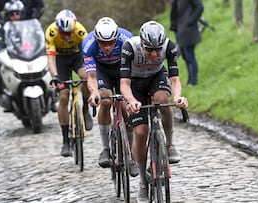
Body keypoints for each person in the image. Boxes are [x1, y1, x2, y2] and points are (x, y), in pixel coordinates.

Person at [119, 21, 188, 202]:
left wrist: (178, 97)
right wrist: (132, 101)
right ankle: (143, 182)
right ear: (142, 43)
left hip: (156, 77)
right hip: (135, 83)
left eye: (158, 50)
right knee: (141, 132)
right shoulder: (129, 48)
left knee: (163, 101)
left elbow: (174, 79)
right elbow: (124, 84)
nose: (155, 54)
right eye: (149, 50)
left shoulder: (169, 46)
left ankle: (170, 144)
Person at [83, 17, 138, 176]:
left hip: (122, 69)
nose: (107, 47)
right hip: (102, 71)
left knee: (125, 107)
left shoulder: (127, 39)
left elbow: (136, 65)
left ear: (116, 38)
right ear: (96, 39)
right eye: (102, 43)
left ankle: (130, 153)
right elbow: (91, 76)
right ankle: (106, 149)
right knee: (106, 100)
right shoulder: (88, 44)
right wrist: (94, 92)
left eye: (111, 43)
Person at [45, 9, 93, 157]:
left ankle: (85, 109)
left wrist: (91, 73)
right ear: (58, 29)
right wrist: (55, 76)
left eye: (69, 33)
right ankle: (65, 140)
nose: (66, 37)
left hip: (77, 57)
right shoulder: (51, 32)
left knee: (86, 77)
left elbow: (88, 55)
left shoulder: (80, 31)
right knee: (64, 97)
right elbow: (51, 60)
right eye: (63, 34)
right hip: (60, 61)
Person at [170, 0, 204, 86]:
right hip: (180, 30)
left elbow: (199, 7)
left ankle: (193, 80)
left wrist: (191, 21)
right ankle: (190, 79)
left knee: (190, 55)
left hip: (189, 30)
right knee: (185, 56)